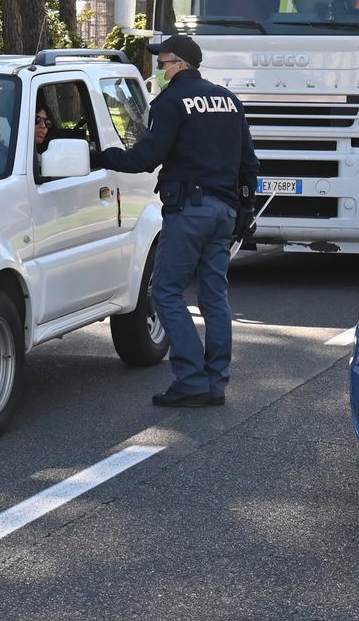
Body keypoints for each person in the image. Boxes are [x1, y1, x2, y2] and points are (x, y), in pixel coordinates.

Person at [99, 34, 259, 408]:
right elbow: (249, 163)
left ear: (181, 64)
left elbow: (145, 158)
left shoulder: (171, 102)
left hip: (189, 211)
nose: (160, 69)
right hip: (224, 212)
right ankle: (215, 384)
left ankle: (191, 380)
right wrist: (245, 211)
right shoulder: (228, 100)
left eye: (163, 62)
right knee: (214, 296)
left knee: (166, 292)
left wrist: (102, 155)